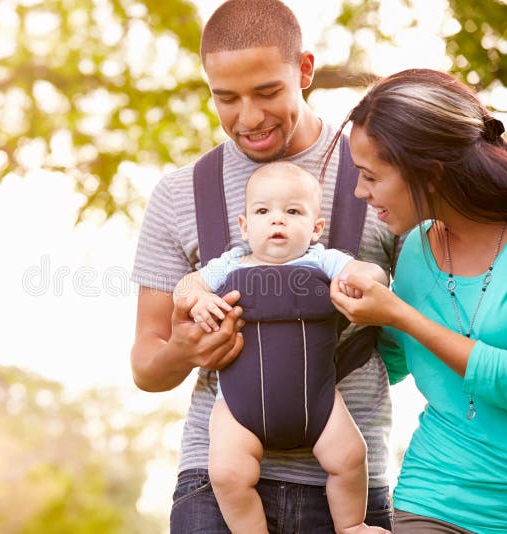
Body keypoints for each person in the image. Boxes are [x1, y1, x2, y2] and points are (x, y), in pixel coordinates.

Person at [130, 1, 400, 531]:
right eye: (225, 98)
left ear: (304, 70)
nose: (248, 117)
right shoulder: (180, 195)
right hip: (217, 483)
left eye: (267, 92)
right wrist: (185, 350)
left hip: (348, 478)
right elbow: (145, 363)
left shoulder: (378, 177)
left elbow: (419, 320)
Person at [328, 68, 507, 533]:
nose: (361, 192)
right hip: (436, 493)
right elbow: (395, 364)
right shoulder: (418, 248)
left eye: (370, 177)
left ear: (431, 174)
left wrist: (399, 313)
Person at [174, 161, 389, 534]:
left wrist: (362, 280)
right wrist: (196, 300)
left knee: (351, 457)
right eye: (263, 211)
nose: (278, 221)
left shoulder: (323, 260)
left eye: (292, 212)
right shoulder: (228, 265)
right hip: (240, 410)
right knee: (226, 474)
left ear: (316, 227)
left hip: (319, 404)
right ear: (244, 226)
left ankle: (352, 524)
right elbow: (185, 286)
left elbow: (374, 273)